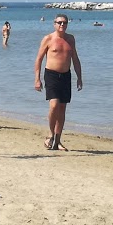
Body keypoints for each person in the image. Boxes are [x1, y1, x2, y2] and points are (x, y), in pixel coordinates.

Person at [34, 13, 82, 151]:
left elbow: (75, 59)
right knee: (54, 105)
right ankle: (50, 134)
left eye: (65, 23)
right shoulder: (48, 39)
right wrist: (37, 79)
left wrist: (79, 77)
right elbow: (39, 59)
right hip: (51, 75)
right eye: (59, 22)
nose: (62, 25)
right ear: (54, 24)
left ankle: (58, 141)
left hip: (66, 76)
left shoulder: (70, 39)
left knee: (62, 109)